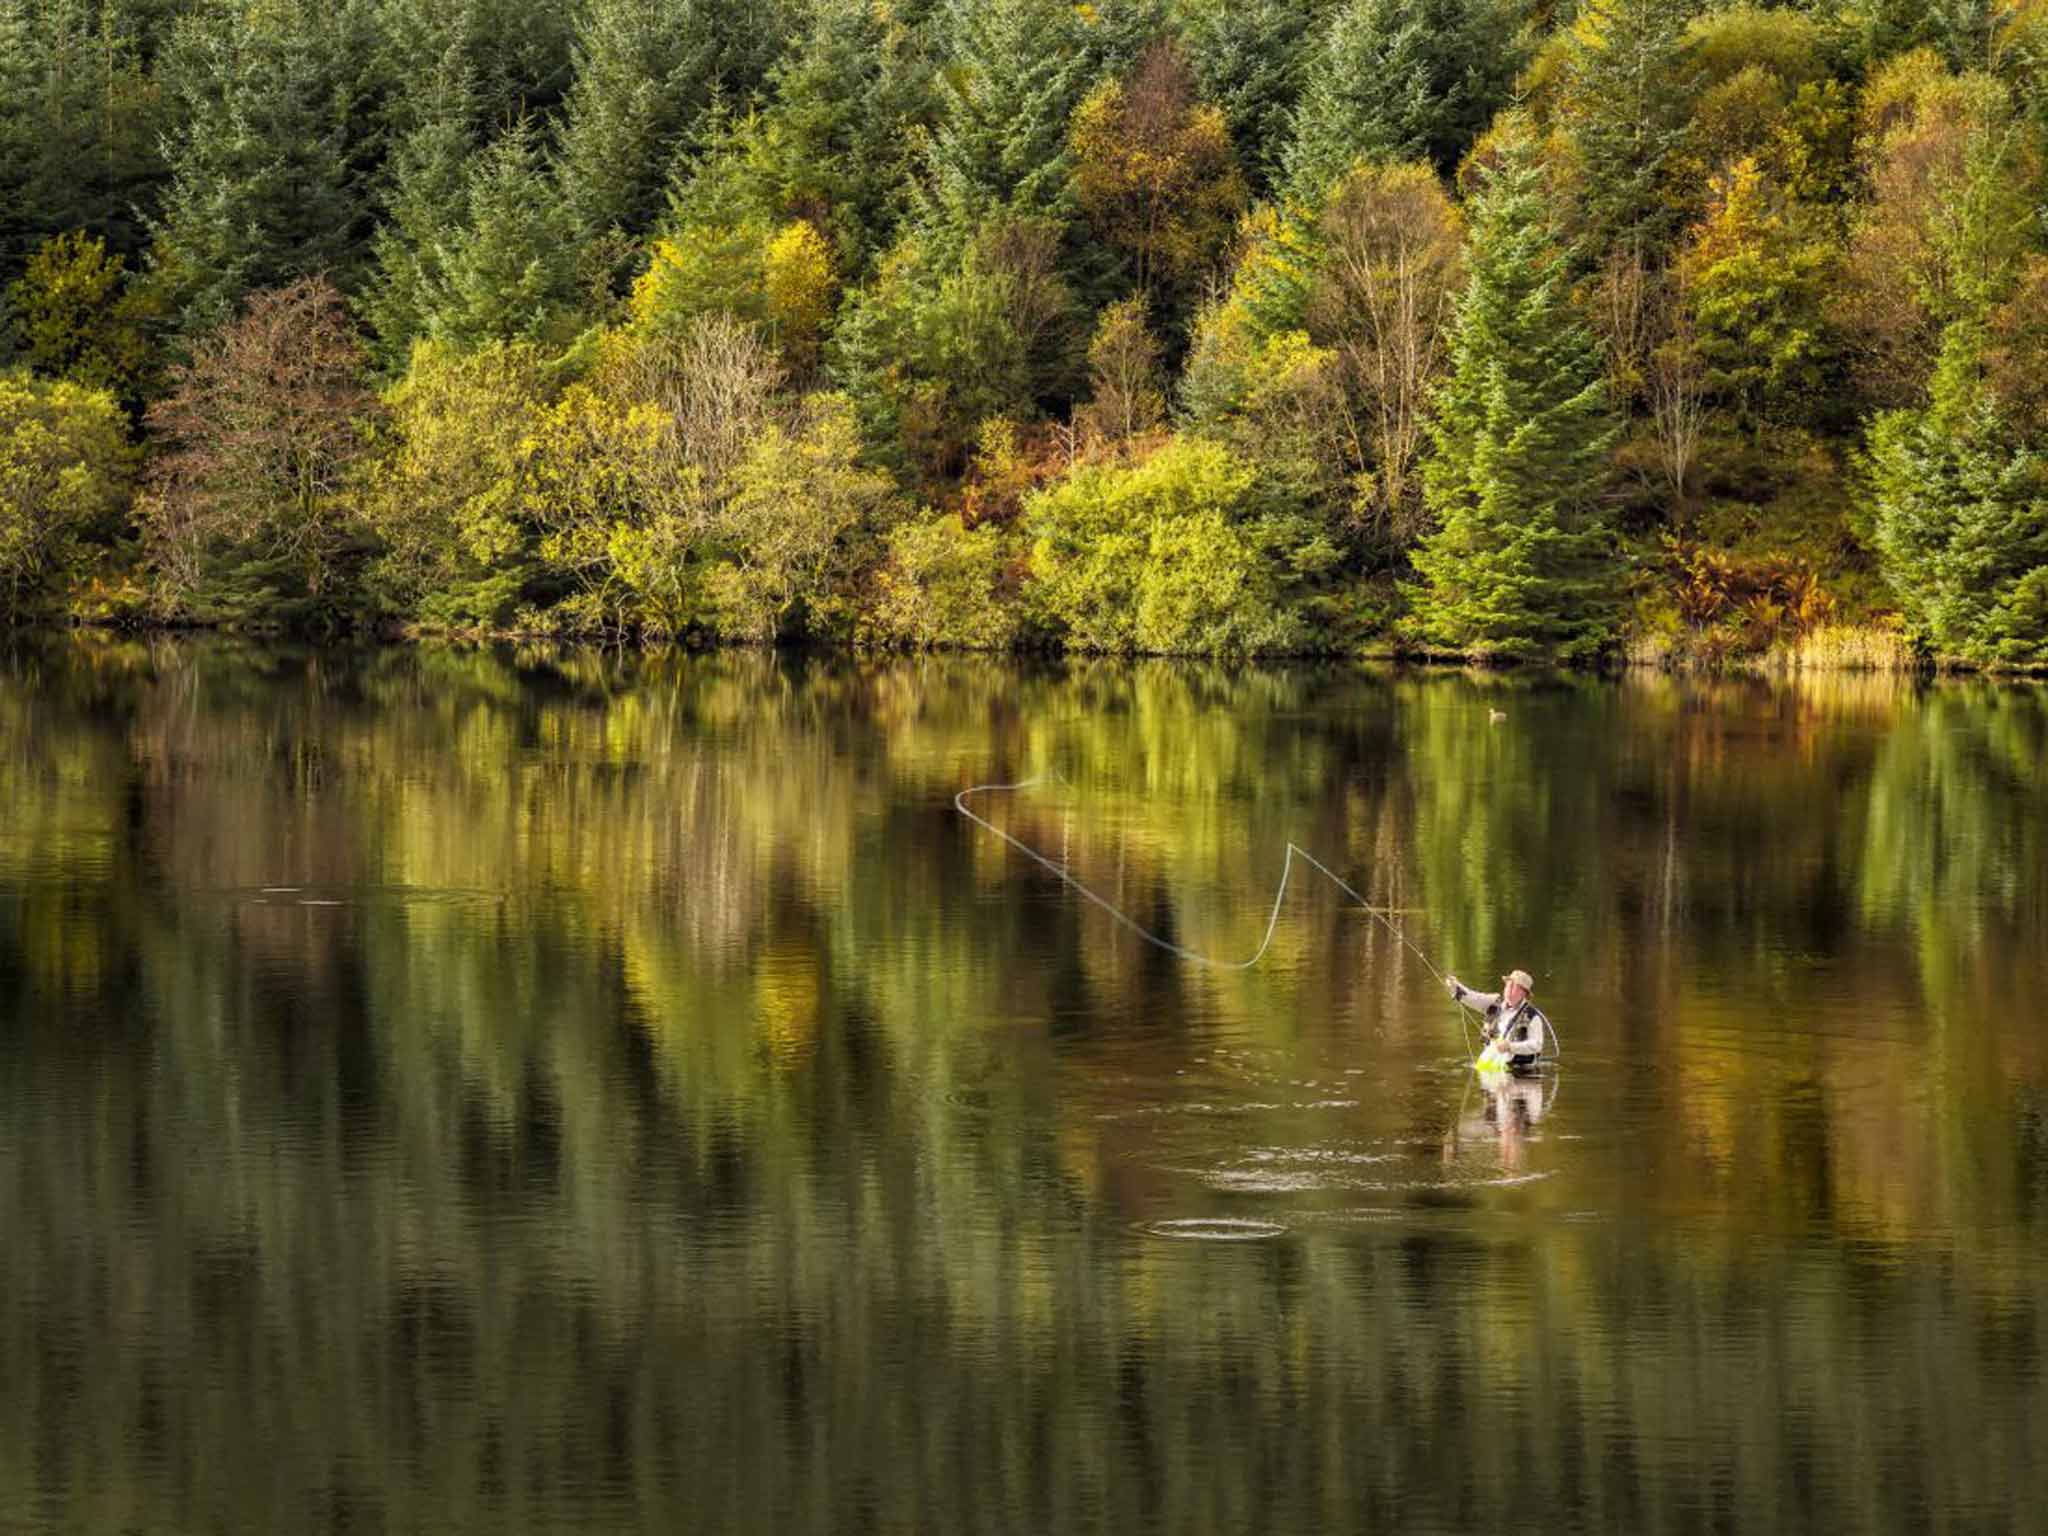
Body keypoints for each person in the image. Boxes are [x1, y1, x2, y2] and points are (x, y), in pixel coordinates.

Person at [1444, 968, 1549, 1070]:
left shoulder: (1533, 1016)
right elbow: (1472, 997)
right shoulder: (1493, 1002)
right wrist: (1455, 986)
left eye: (1513, 986)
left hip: (1520, 1071)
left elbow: (1536, 1045)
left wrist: (1510, 1046)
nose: (1508, 989)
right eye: (1508, 985)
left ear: (1523, 993)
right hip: (1493, 1065)